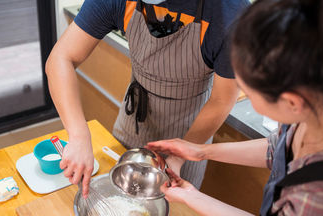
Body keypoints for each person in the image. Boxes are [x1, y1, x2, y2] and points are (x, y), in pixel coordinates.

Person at [146, 0, 323, 216]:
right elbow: (277, 148)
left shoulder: (322, 191)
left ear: (291, 101)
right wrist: (201, 151)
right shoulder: (313, 108)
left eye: (248, 90)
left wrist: (191, 197)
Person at [45, 0, 249, 197]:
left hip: (191, 134)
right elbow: (61, 58)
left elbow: (222, 100)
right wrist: (79, 134)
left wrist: (179, 156)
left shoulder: (228, 13)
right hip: (134, 121)